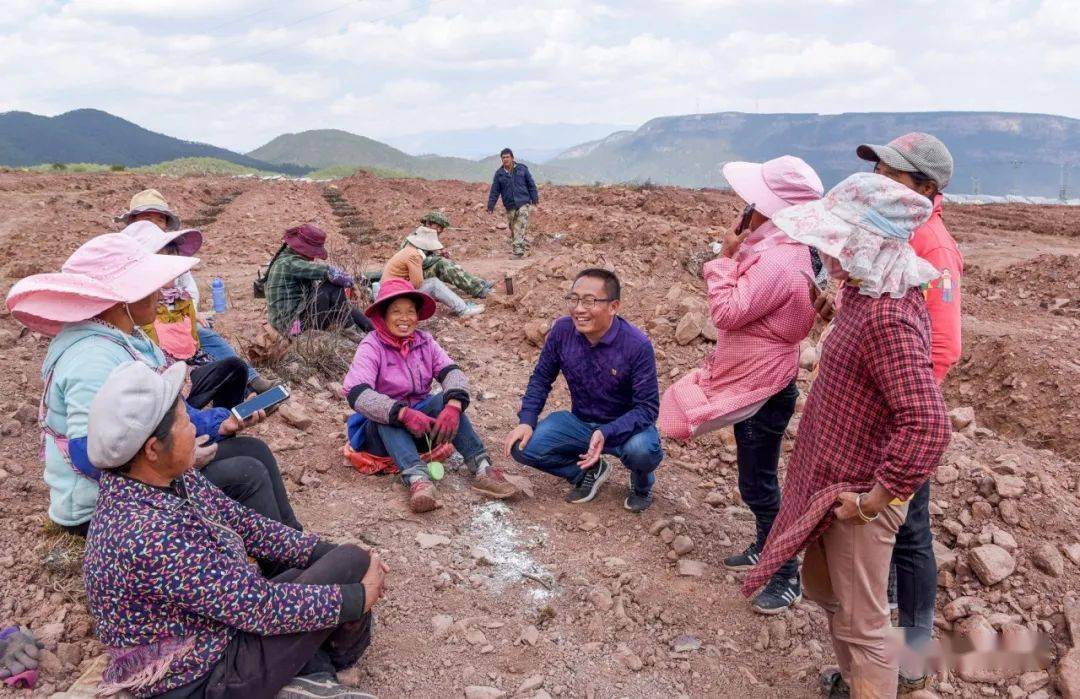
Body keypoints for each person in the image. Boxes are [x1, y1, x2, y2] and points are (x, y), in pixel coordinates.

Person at [741, 173, 951, 699]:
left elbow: (928, 424)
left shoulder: (887, 317)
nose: (828, 252)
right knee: (833, 598)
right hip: (835, 481)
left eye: (837, 240)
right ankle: (856, 682)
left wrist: (873, 500)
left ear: (865, 243)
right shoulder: (866, 294)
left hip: (856, 491)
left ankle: (870, 683)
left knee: (864, 625)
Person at [83, 361, 386, 699]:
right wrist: (358, 596)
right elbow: (261, 607)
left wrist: (324, 552)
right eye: (184, 422)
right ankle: (322, 667)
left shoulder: (169, 480)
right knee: (348, 575)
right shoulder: (146, 533)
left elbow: (247, 525)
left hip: (213, 627)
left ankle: (309, 668)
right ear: (153, 449)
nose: (192, 430)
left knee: (345, 562)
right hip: (198, 677)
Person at [5, 233, 300, 536]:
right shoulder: (91, 358)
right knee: (246, 474)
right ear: (122, 300)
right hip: (103, 505)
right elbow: (90, 452)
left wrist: (222, 424)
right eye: (150, 286)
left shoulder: (128, 337)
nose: (160, 294)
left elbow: (169, 410)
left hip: (143, 473)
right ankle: (279, 568)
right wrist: (178, 462)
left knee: (254, 450)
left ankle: (296, 545)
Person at [659, 155, 822, 613]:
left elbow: (726, 313)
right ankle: (764, 548)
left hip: (763, 387)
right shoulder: (781, 250)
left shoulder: (780, 262)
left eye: (755, 200)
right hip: (756, 377)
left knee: (759, 484)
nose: (746, 206)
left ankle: (784, 572)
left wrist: (724, 259)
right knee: (755, 475)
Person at [855, 132, 962, 691]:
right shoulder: (889, 231)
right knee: (890, 529)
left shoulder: (932, 246)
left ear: (924, 188)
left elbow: (943, 347)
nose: (879, 182)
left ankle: (913, 650)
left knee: (911, 528)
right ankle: (883, 631)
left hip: (900, 416)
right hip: (873, 409)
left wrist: (906, 413)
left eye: (891, 175)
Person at [342, 278, 517, 512]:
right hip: (382, 438)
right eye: (396, 312)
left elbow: (452, 372)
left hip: (420, 431)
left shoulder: (425, 342)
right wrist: (403, 413)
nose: (405, 318)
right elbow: (357, 393)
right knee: (386, 415)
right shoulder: (371, 346)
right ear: (382, 316)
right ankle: (418, 481)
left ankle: (482, 467)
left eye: (410, 312)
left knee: (442, 401)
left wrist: (454, 406)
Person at [505, 268, 663, 511]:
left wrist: (608, 431)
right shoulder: (562, 331)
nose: (579, 309)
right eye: (574, 299)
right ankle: (585, 472)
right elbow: (541, 378)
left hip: (625, 429)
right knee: (524, 447)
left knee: (642, 451)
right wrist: (526, 420)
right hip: (581, 424)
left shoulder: (637, 346)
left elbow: (647, 409)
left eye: (590, 301)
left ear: (613, 306)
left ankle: (641, 483)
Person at [117, 189, 279, 394]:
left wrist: (190, 313)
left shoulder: (169, 251)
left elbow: (188, 288)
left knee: (208, 338)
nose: (155, 223)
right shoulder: (124, 255)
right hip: (143, 325)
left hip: (175, 319)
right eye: (148, 217)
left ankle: (252, 383)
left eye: (160, 219)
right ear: (133, 221)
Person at [122, 220, 250, 410]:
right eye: (163, 263)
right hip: (154, 388)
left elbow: (192, 340)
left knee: (234, 368)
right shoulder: (130, 306)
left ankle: (223, 420)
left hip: (180, 370)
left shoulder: (178, 298)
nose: (172, 270)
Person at [265, 223, 373, 338]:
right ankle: (355, 334)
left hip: (292, 321)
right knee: (332, 287)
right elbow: (332, 273)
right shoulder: (291, 264)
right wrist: (353, 284)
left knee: (338, 300)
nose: (313, 257)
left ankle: (371, 330)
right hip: (291, 327)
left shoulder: (286, 259)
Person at [381, 226, 484, 317]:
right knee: (434, 284)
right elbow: (417, 283)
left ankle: (462, 305)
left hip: (390, 291)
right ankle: (463, 309)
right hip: (394, 294)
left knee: (433, 284)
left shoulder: (408, 250)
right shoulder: (414, 255)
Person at [417, 211, 495, 298]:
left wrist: (440, 254)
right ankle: (478, 290)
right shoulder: (416, 238)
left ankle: (478, 283)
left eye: (442, 227)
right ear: (428, 224)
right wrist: (437, 258)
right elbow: (418, 261)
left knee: (449, 264)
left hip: (423, 271)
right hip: (416, 276)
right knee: (443, 264)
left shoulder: (428, 235)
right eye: (438, 226)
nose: (440, 230)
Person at [486, 148, 539, 259]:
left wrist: (535, 199)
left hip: (523, 202)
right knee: (513, 228)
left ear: (512, 158)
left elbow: (531, 184)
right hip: (510, 205)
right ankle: (519, 248)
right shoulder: (499, 174)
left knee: (520, 226)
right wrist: (491, 205)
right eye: (503, 158)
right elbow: (495, 191)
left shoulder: (522, 169)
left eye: (507, 157)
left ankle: (518, 252)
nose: (505, 159)